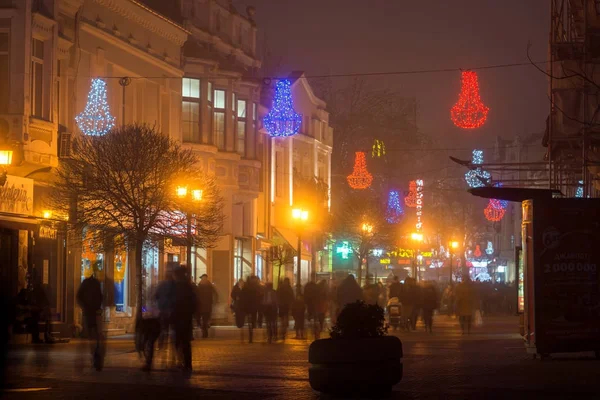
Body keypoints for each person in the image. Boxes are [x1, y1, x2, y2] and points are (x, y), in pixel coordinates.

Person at [76, 273, 104, 370]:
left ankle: (91, 356)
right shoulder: (96, 283)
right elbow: (100, 296)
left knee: (89, 335)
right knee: (95, 335)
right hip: (94, 312)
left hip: (88, 312)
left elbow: (79, 296)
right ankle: (95, 356)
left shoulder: (85, 283)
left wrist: (84, 306)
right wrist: (98, 307)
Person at [172, 267, 197, 374]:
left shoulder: (177, 287)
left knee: (179, 341)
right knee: (185, 342)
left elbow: (174, 302)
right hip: (186, 318)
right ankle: (187, 364)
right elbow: (194, 303)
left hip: (179, 318)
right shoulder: (189, 287)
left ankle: (181, 362)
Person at [196, 274, 218, 338]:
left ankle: (204, 331)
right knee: (205, 319)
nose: (203, 279)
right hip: (205, 305)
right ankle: (205, 331)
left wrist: (215, 300)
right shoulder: (208, 285)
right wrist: (215, 301)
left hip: (203, 305)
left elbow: (215, 294)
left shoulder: (201, 286)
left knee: (204, 319)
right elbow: (215, 294)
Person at [241, 276, 261, 343]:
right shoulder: (256, 287)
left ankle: (250, 324)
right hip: (253, 306)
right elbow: (259, 296)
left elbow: (242, 296)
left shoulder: (245, 287)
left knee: (248, 316)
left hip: (247, 306)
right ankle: (253, 324)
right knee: (253, 316)